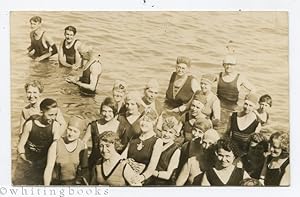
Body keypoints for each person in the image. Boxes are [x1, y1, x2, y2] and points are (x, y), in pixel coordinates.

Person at [15, 98, 62, 185]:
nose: (53, 118)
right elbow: (21, 146)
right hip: (28, 159)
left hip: (44, 160)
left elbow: (56, 145)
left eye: (55, 115)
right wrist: (24, 158)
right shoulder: (30, 125)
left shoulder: (55, 126)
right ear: (41, 112)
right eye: (50, 115)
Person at [43, 116, 89, 185]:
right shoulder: (56, 145)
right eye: (69, 129)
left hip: (73, 184)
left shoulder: (83, 146)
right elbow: (49, 169)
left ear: (81, 133)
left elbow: (85, 169)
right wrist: (46, 188)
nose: (71, 134)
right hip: (56, 183)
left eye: (75, 131)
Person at [124, 111, 163, 186]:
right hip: (128, 175)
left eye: (148, 121)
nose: (144, 123)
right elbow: (122, 158)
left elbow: (152, 167)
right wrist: (128, 162)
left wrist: (141, 177)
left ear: (154, 123)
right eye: (143, 120)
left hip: (145, 180)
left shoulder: (157, 141)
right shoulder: (133, 138)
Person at [83, 97, 120, 169]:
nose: (106, 114)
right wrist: (84, 163)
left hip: (113, 163)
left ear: (114, 112)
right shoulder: (93, 125)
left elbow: (125, 147)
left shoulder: (121, 126)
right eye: (104, 111)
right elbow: (83, 143)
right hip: (94, 162)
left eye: (110, 111)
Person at [148, 116, 181, 185]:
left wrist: (150, 171)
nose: (166, 134)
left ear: (175, 135)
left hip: (161, 183)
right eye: (165, 130)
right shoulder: (155, 142)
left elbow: (168, 175)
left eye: (170, 132)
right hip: (148, 179)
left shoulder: (176, 151)